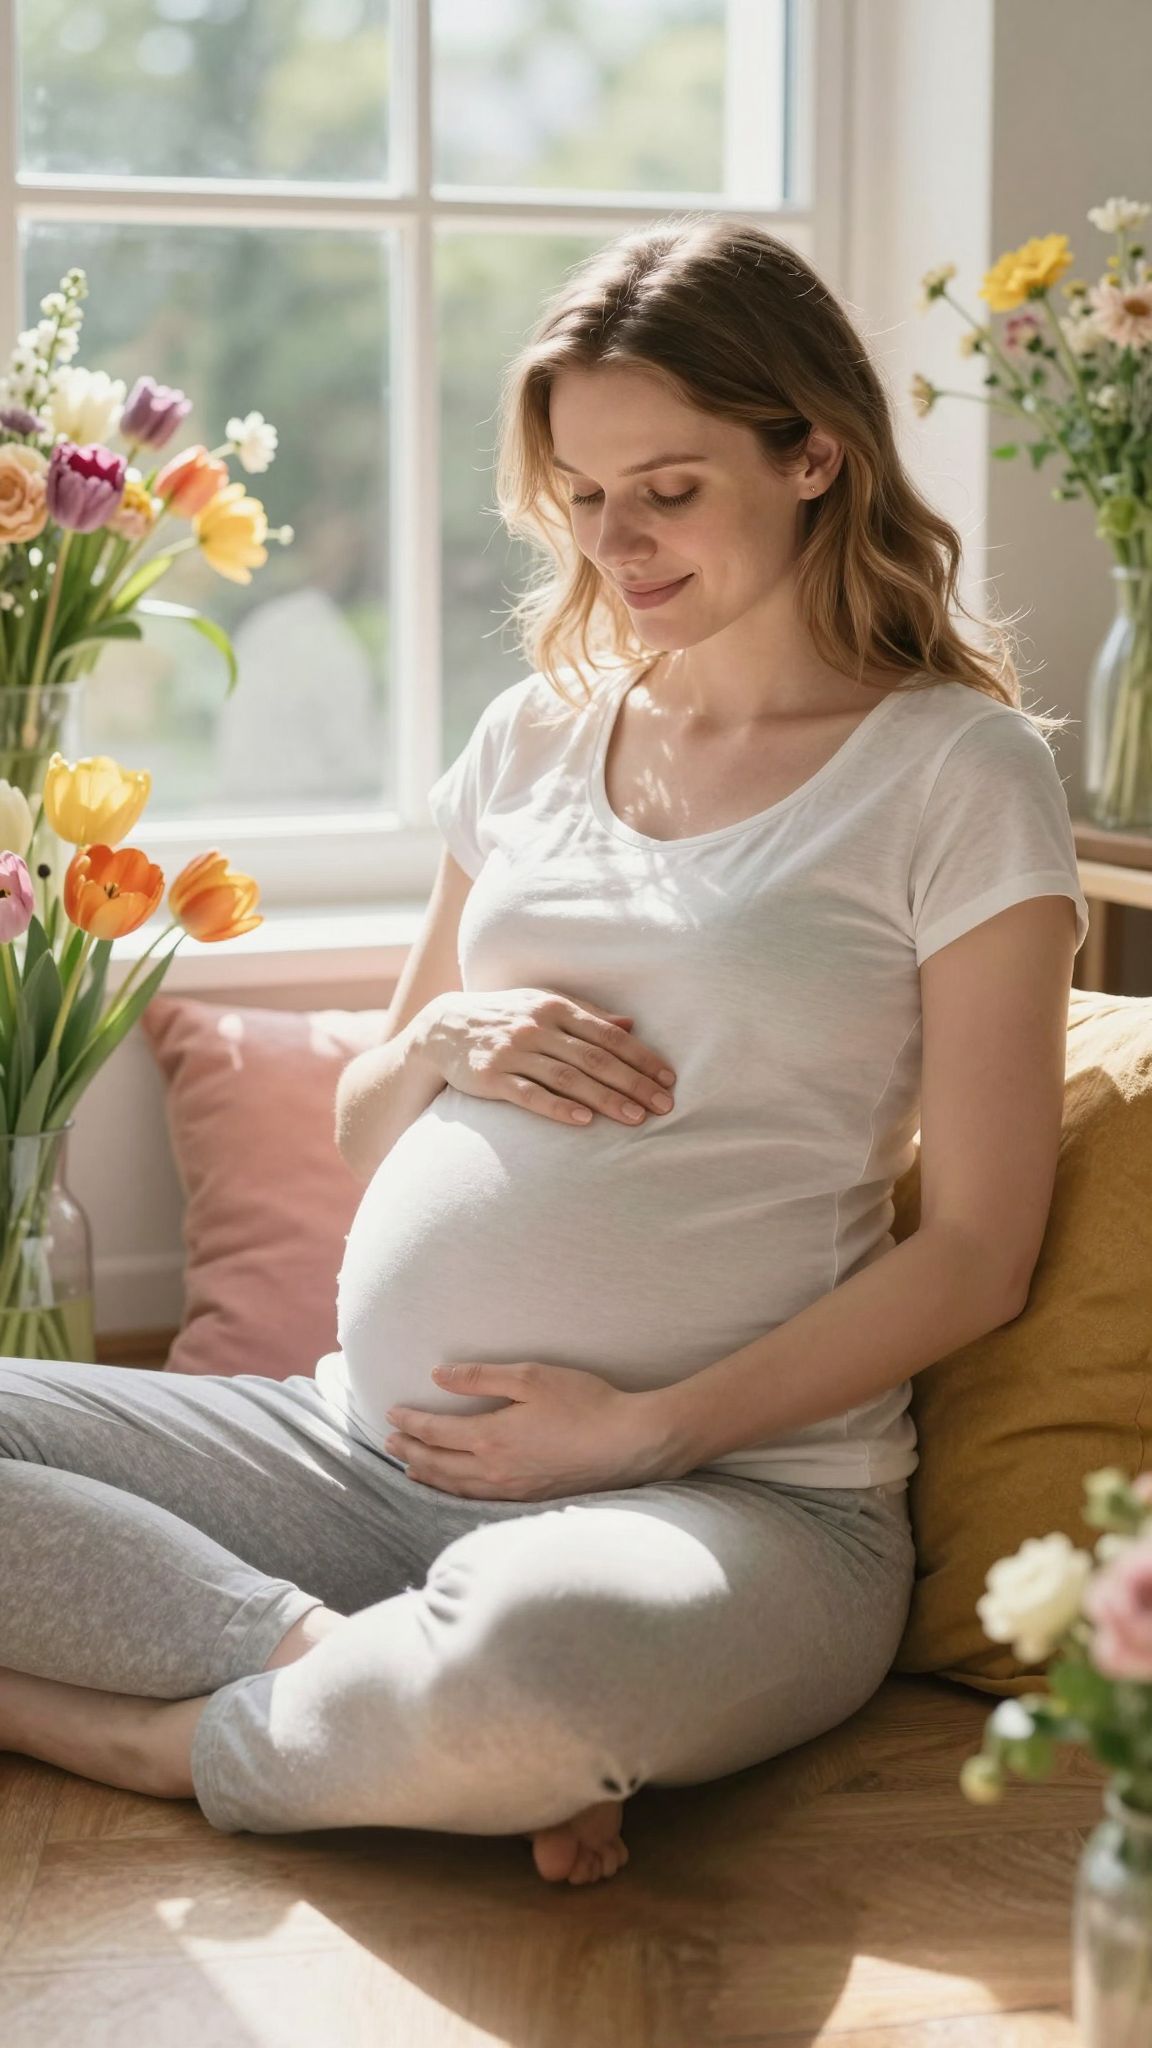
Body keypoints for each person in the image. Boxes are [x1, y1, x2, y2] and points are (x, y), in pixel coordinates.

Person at [0, 215, 1090, 1889]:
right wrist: (439, 1036)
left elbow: (980, 1253)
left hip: (730, 1507)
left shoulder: (957, 773)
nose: (615, 541)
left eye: (668, 488)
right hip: (353, 1455)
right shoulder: (531, 737)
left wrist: (645, 1432)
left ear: (812, 455)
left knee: (532, 1664)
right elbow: (367, 1119)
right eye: (581, 494)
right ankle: (326, 1673)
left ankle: (144, 1734)